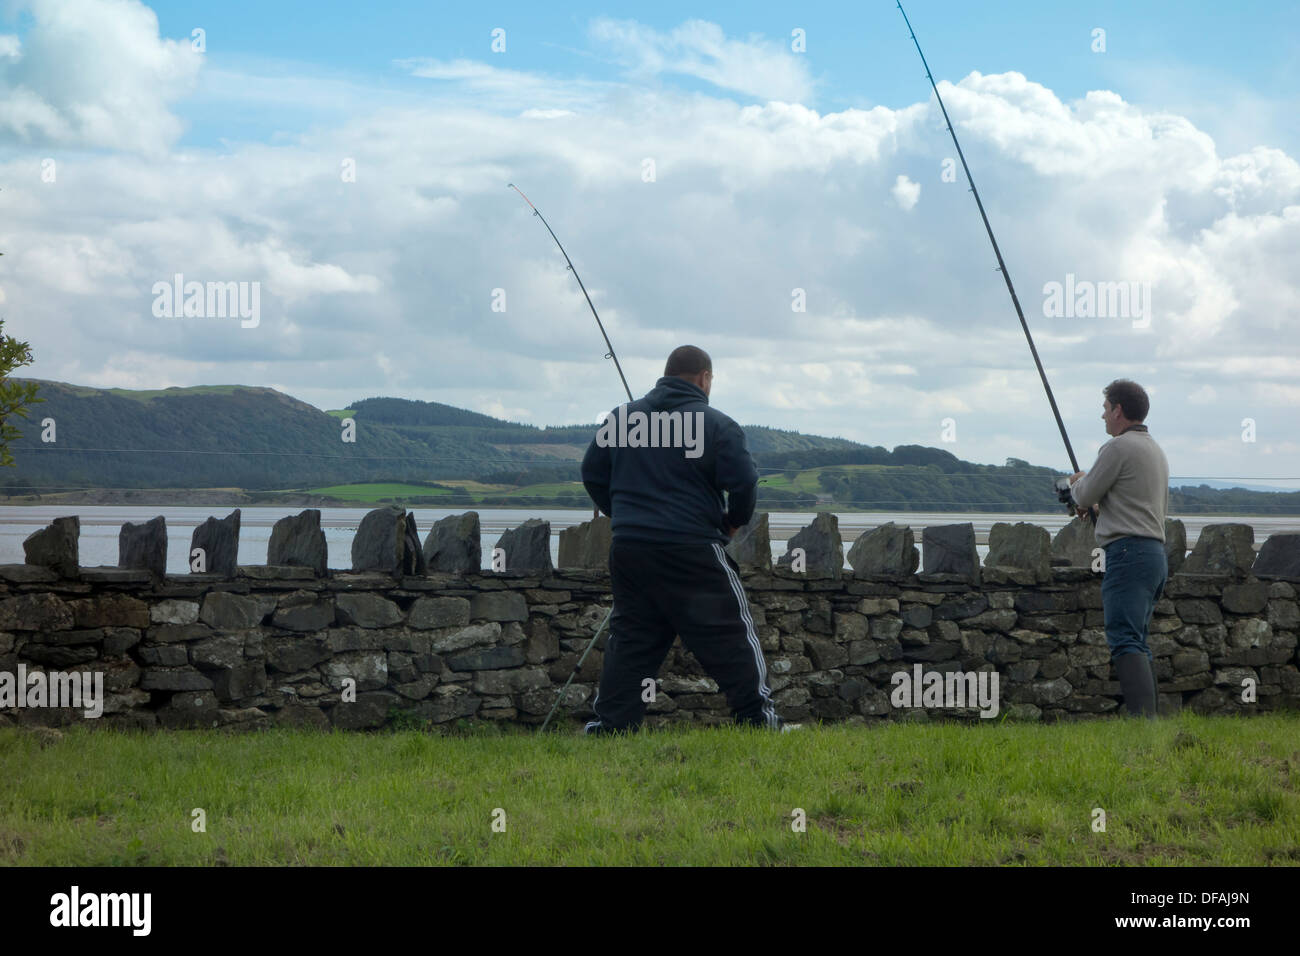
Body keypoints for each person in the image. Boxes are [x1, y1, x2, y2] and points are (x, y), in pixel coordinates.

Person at [579, 345, 781, 734]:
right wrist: (734, 521)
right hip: (691, 547)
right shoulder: (718, 424)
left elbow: (592, 473)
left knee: (633, 639)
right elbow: (744, 482)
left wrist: (620, 514)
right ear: (705, 378)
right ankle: (759, 721)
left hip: (630, 548)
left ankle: (612, 727)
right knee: (732, 634)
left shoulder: (622, 419)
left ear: (665, 375)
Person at [1067, 379, 1170, 718]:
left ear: (1118, 410)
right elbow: (1129, 504)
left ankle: (1143, 724)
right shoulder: (1154, 449)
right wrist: (1098, 509)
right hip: (1154, 555)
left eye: (1105, 409)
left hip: (1128, 554)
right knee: (1137, 640)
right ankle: (1149, 723)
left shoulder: (1117, 448)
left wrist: (1076, 481)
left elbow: (1082, 495)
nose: (1103, 416)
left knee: (1124, 639)